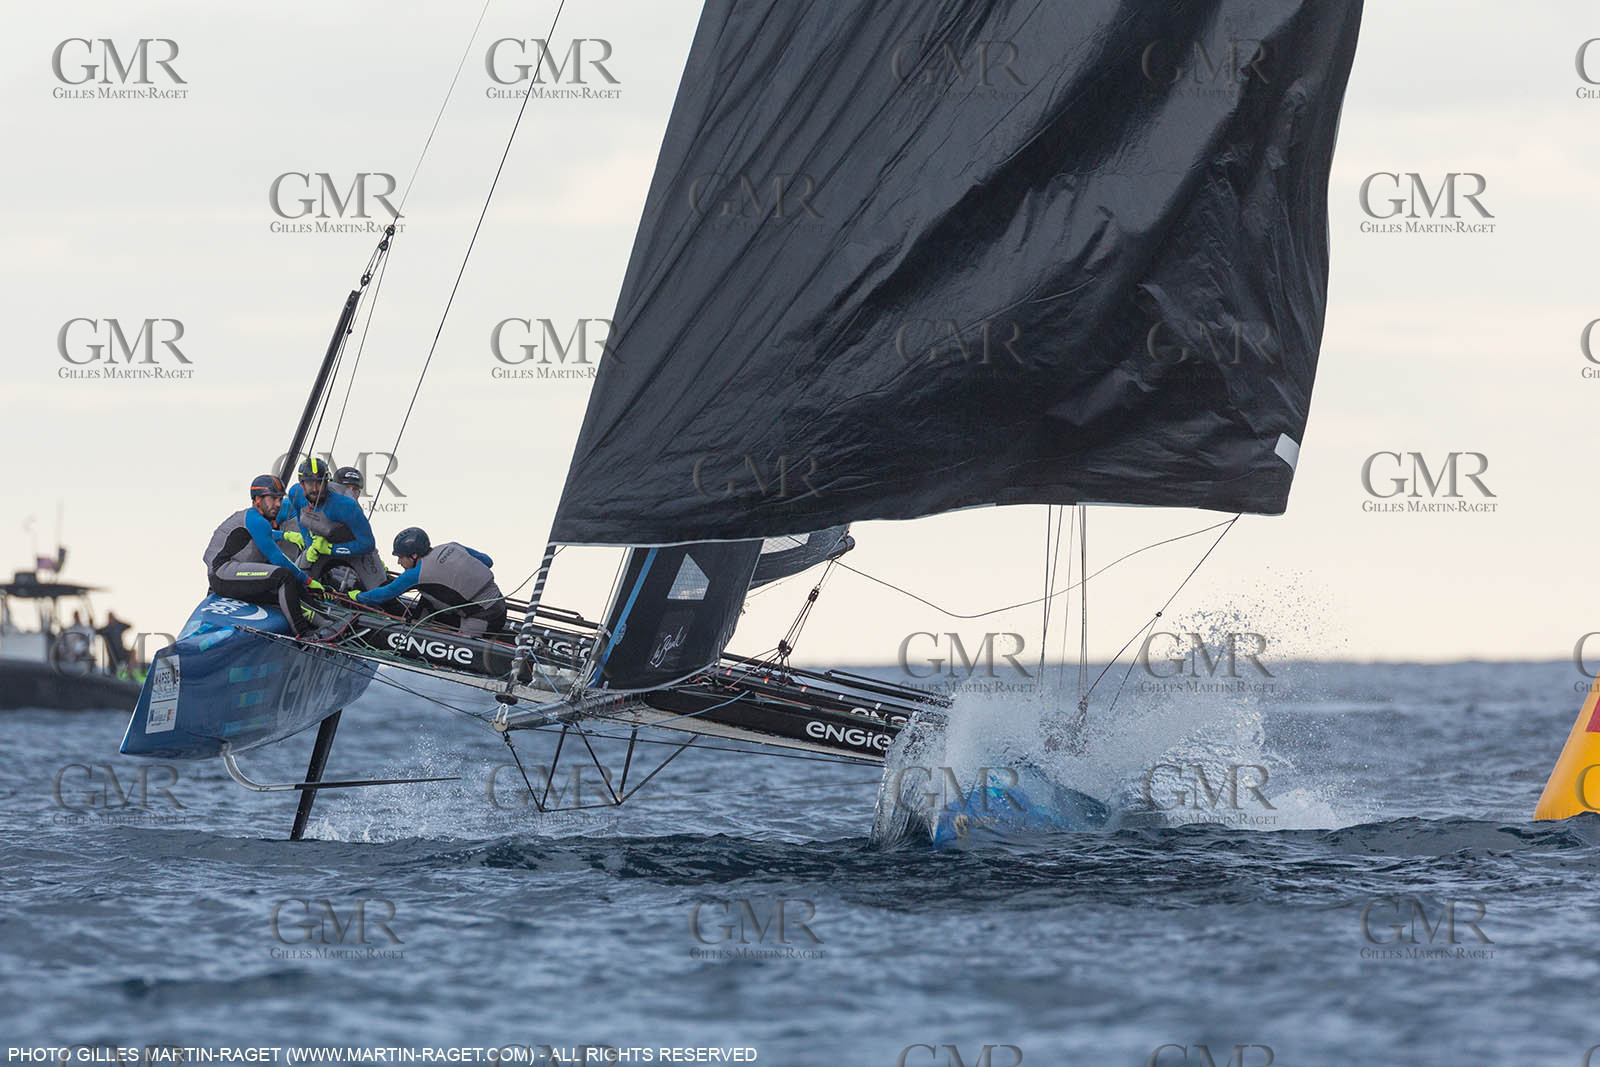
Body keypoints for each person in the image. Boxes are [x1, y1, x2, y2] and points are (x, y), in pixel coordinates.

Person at [202, 474, 320, 634]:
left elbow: (269, 536)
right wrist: (307, 579)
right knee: (284, 577)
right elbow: (277, 558)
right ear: (257, 499)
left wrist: (305, 584)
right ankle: (303, 634)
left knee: (291, 586)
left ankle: (326, 622)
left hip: (232, 572)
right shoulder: (255, 519)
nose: (278, 504)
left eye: (280, 499)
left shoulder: (261, 521)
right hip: (221, 574)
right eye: (273, 499)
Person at [350, 527, 506, 636]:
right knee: (429, 592)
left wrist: (358, 597)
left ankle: (422, 629)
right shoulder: (452, 546)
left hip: (484, 620)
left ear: (414, 556)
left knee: (452, 651)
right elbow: (487, 561)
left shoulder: (416, 574)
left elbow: (385, 594)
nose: (398, 562)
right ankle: (420, 622)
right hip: (500, 603)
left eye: (400, 557)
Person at [280, 457, 383, 591]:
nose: (315, 489)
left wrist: (330, 548)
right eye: (310, 483)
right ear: (301, 483)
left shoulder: (346, 505)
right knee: (293, 581)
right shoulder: (295, 494)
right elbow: (301, 522)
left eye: (320, 483)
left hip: (356, 550)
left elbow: (368, 544)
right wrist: (310, 544)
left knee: (381, 592)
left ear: (327, 482)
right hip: (321, 547)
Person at [95, 611, 132, 675]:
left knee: (131, 655)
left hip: (121, 652)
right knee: (113, 671)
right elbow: (96, 631)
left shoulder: (119, 626)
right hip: (112, 654)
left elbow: (129, 625)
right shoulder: (106, 629)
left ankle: (131, 675)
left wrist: (118, 621)